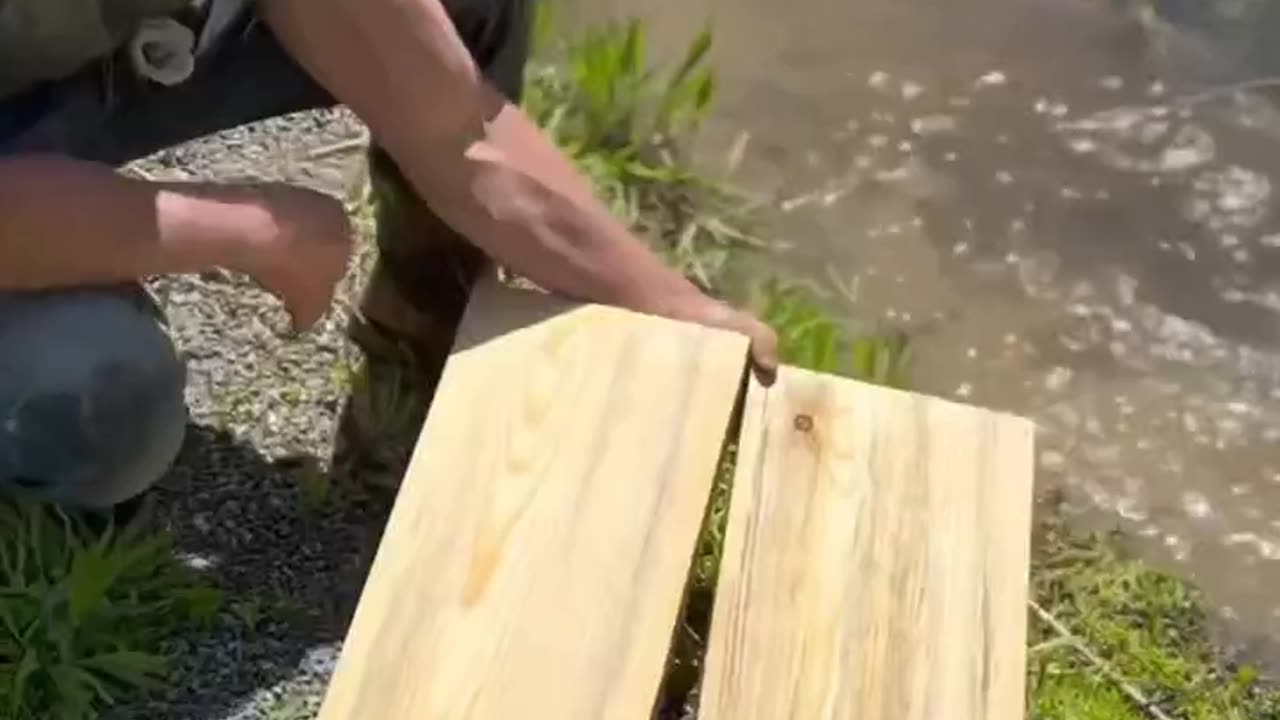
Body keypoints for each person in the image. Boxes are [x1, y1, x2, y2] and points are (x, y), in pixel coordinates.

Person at [0, 0, 779, 509]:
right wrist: (249, 228)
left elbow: (452, 129)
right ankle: (55, 532)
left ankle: (415, 392)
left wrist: (669, 302)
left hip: (98, 56)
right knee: (96, 404)